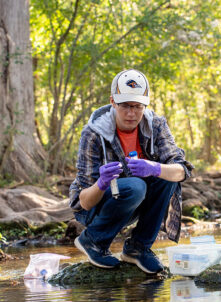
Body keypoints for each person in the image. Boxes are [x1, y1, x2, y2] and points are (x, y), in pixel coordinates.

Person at [68, 69, 192, 274]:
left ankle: (138, 247)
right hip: (98, 206)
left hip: (136, 201)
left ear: (145, 105)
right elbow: (84, 202)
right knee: (136, 185)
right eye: (125, 106)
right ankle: (93, 241)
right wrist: (101, 183)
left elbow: (182, 171)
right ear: (113, 102)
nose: (131, 113)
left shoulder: (156, 125)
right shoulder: (93, 133)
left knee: (166, 177)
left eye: (137, 106)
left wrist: (155, 167)